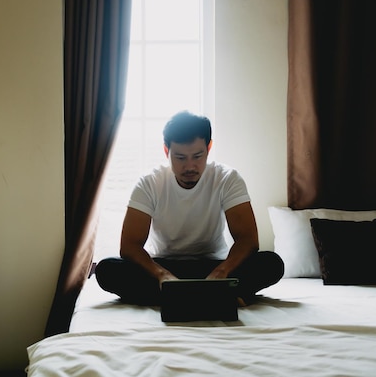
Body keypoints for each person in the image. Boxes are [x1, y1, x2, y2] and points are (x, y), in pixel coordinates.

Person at [95, 111, 284, 306]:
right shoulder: (149, 183)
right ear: (166, 151)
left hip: (213, 265)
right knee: (106, 269)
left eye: (197, 156)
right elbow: (129, 245)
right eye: (180, 158)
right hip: (163, 265)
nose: (190, 166)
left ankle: (177, 297)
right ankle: (216, 296)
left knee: (271, 263)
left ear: (209, 148)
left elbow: (248, 240)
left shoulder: (227, 179)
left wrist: (222, 272)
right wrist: (162, 274)